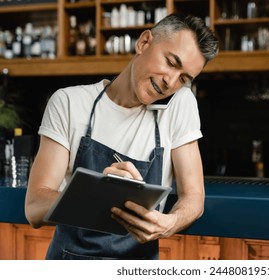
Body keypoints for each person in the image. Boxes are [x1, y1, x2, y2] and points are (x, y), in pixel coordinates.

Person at [24, 13, 219, 260]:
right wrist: (95, 194)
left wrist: (168, 224)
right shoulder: (69, 103)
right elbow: (34, 208)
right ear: (144, 42)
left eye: (184, 78)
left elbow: (194, 198)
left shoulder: (180, 105)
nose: (170, 82)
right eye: (170, 62)